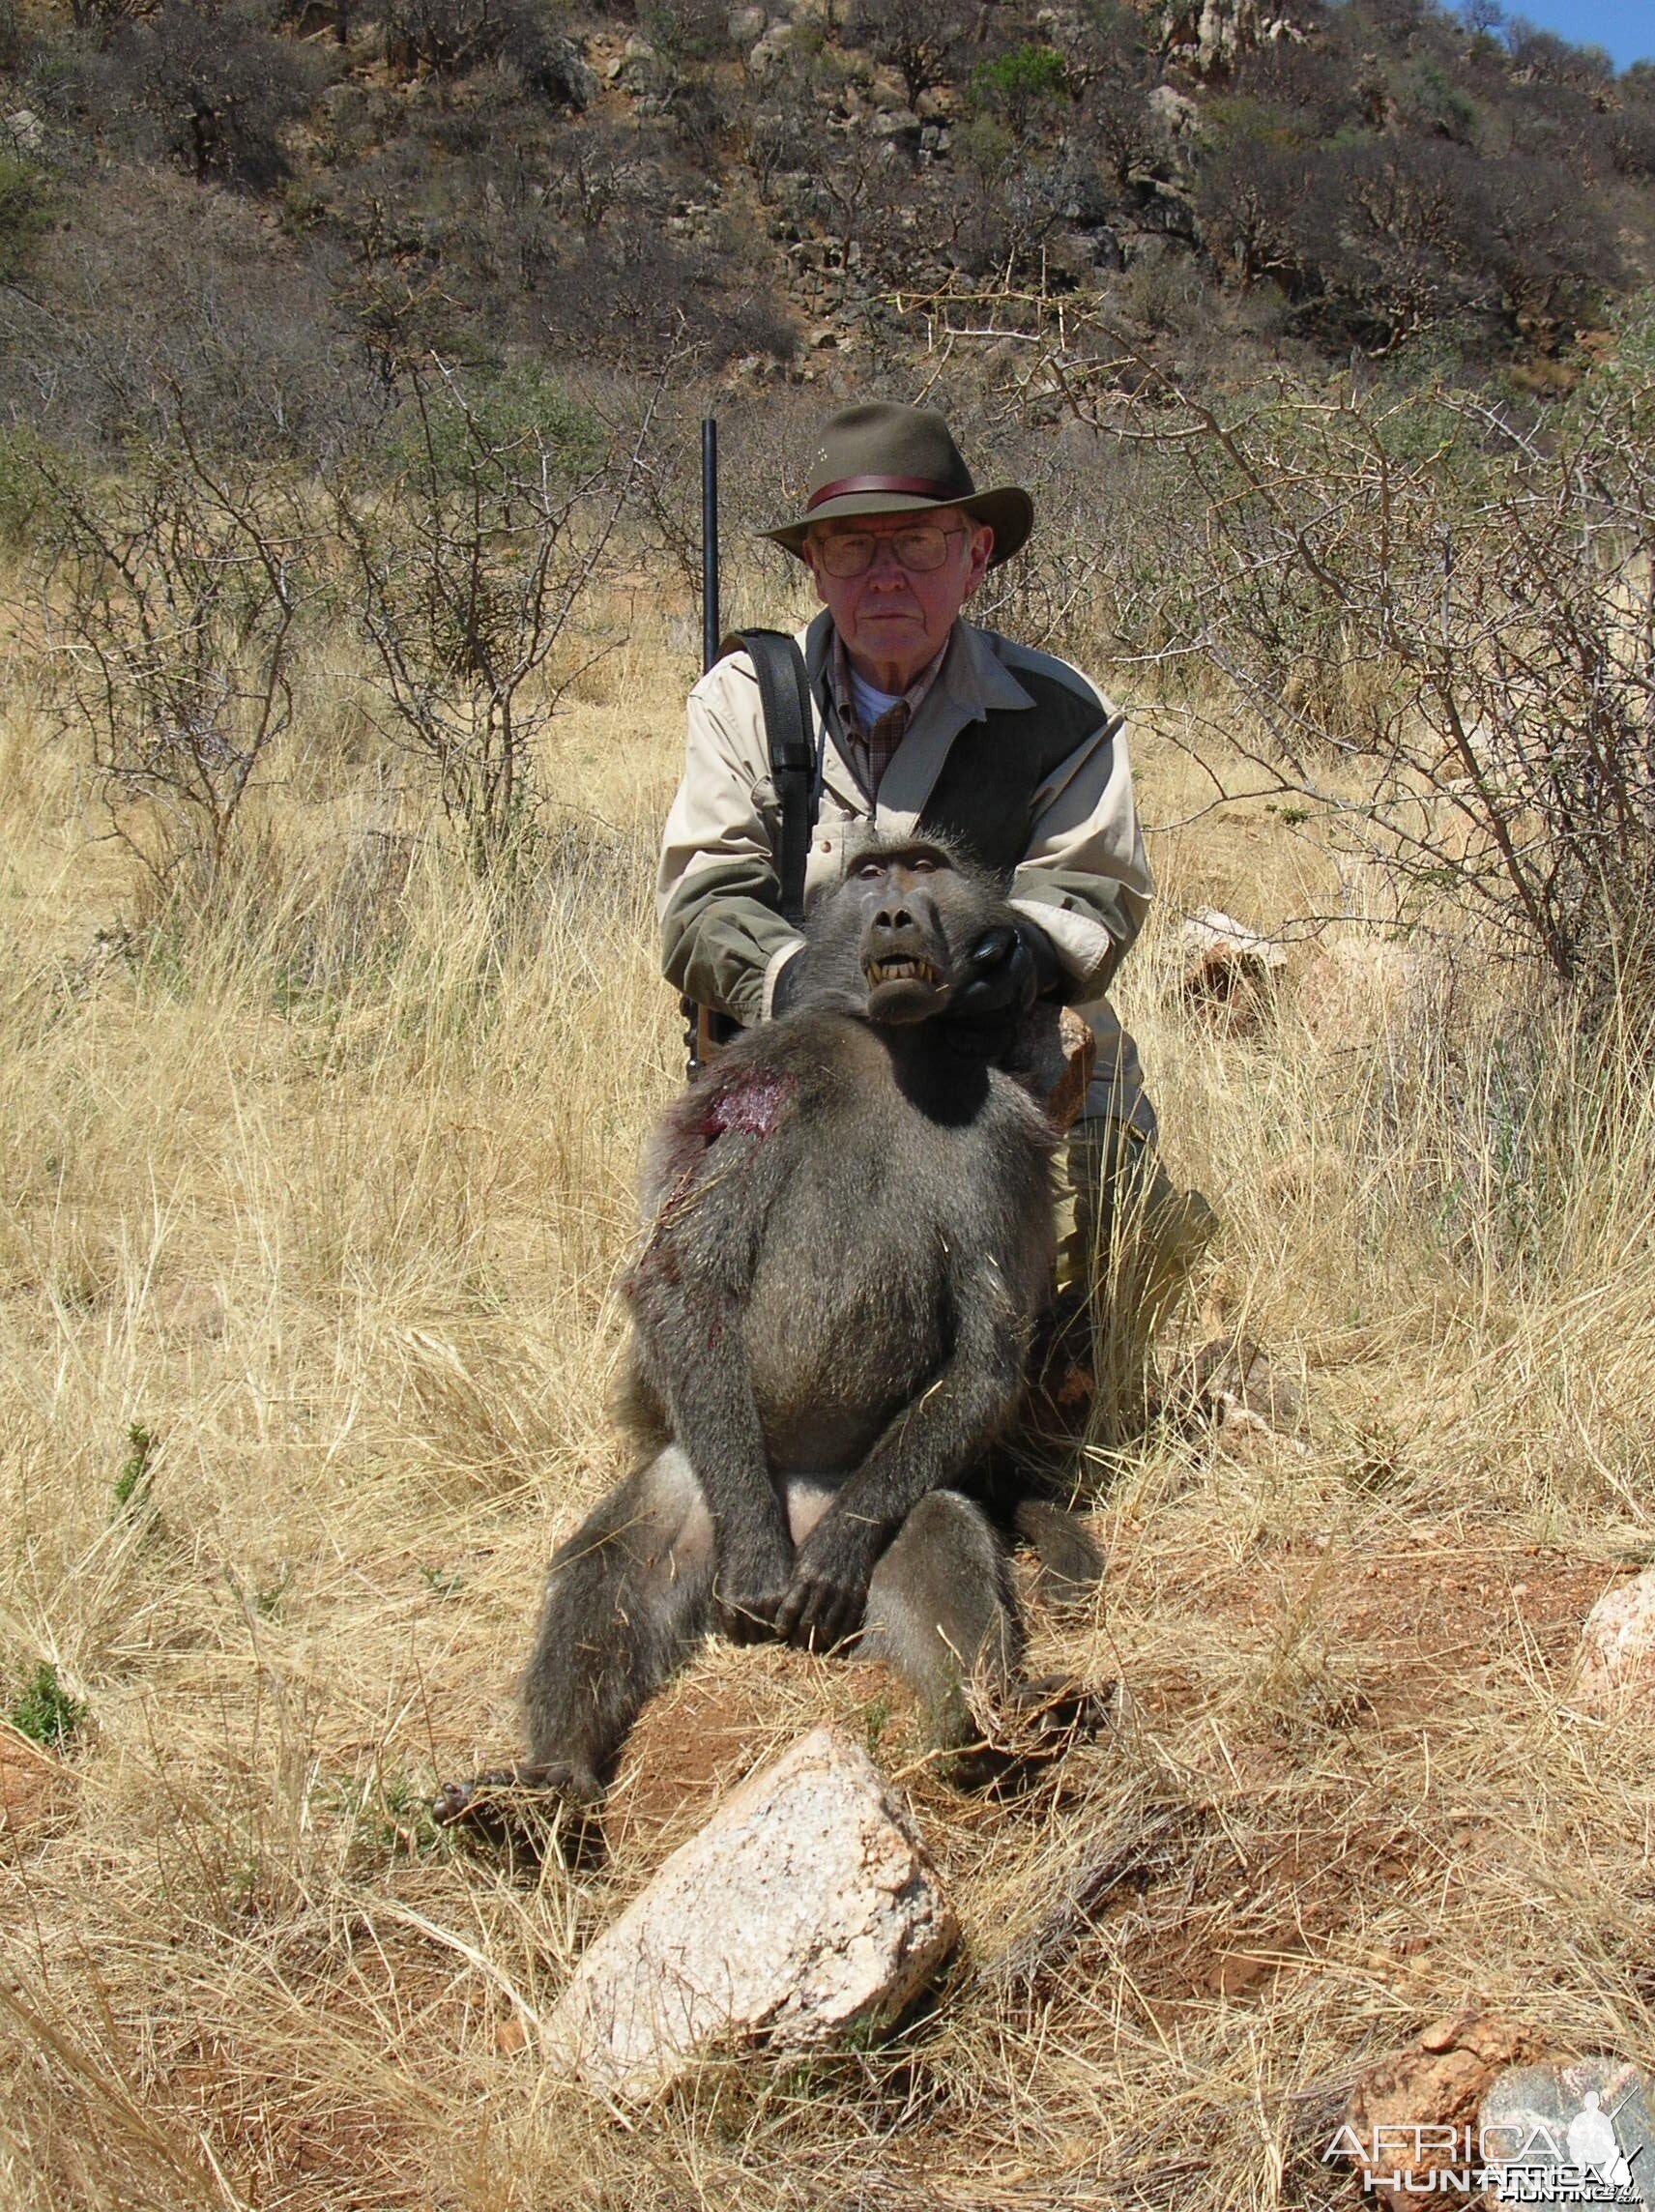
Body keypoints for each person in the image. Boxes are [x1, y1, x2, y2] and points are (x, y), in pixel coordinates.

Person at [657, 399, 1212, 1431]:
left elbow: (1095, 892)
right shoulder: (743, 697)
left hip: (983, 1039)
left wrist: (1026, 950)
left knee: (1098, 1116)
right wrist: (812, 996)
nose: (886, 577)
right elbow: (699, 906)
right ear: (815, 567)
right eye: (852, 548)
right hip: (794, 1038)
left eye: (917, 543)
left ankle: (1064, 1363)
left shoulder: (1056, 710)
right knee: (701, 1240)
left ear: (975, 554)